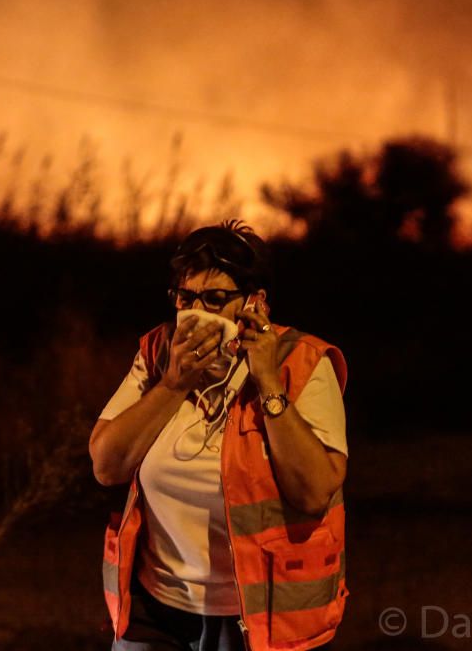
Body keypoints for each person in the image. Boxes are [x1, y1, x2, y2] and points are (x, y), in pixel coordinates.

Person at [90, 220, 349, 651]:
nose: (198, 312)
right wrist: (173, 384)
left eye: (215, 299)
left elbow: (314, 491)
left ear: (255, 303)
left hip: (258, 617)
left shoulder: (301, 362)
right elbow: (106, 465)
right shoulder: (159, 354)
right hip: (157, 610)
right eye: (186, 297)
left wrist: (267, 381)